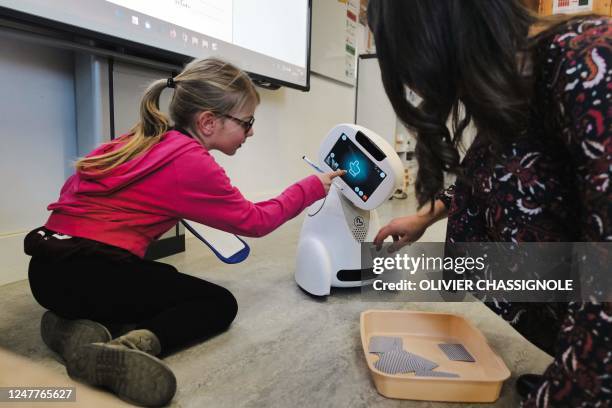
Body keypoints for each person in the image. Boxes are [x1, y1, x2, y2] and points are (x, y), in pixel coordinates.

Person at [24, 58, 344, 407]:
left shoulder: (142, 138)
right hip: (89, 274)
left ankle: (67, 328)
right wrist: (311, 187)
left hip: (45, 271)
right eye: (247, 122)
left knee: (163, 278)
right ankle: (125, 349)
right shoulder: (190, 162)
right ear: (208, 122)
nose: (251, 132)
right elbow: (255, 221)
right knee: (217, 302)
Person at [368, 1, 611, 406]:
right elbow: (490, 171)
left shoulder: (589, 65)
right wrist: (424, 218)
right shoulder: (518, 83)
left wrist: (573, 388)